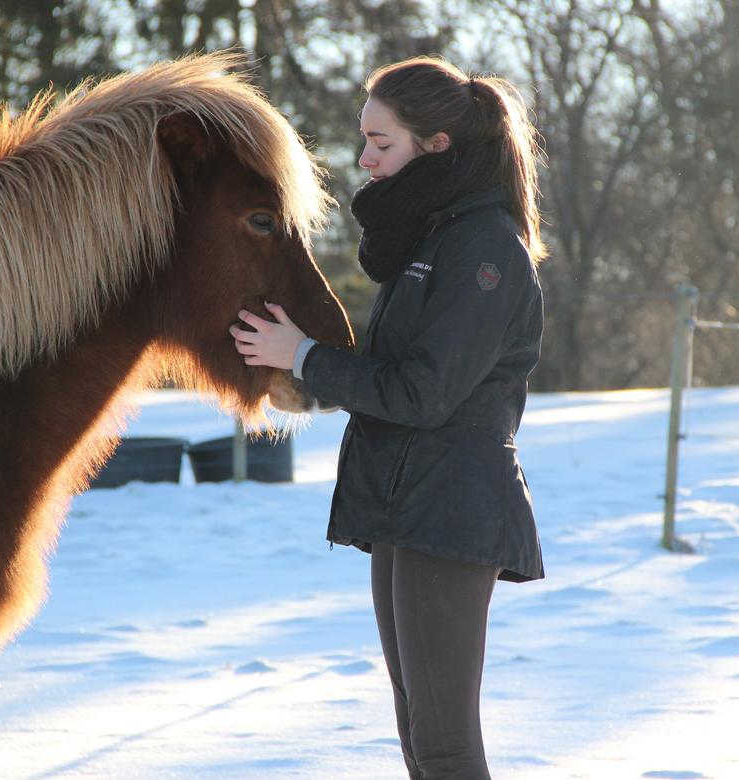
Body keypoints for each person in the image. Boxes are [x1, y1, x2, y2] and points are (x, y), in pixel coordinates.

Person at [230, 55, 545, 779]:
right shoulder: (431, 242)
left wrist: (306, 356)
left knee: (444, 742)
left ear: (436, 146)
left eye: (382, 142)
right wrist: (299, 365)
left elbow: (425, 394)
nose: (363, 158)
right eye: (363, 139)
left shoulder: (484, 250)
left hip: (453, 508)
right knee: (417, 733)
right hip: (407, 505)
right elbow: (394, 378)